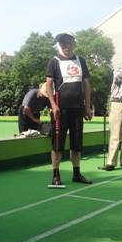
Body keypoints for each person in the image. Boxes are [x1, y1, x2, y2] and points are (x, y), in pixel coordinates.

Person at [46, 31, 93, 187]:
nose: (66, 45)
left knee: (76, 143)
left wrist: (87, 106)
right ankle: (56, 175)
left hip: (78, 109)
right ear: (59, 45)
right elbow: (48, 85)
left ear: (73, 43)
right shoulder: (54, 61)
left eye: (68, 42)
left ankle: (76, 173)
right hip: (60, 110)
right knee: (57, 144)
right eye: (62, 42)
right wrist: (53, 105)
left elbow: (86, 85)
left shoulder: (81, 61)